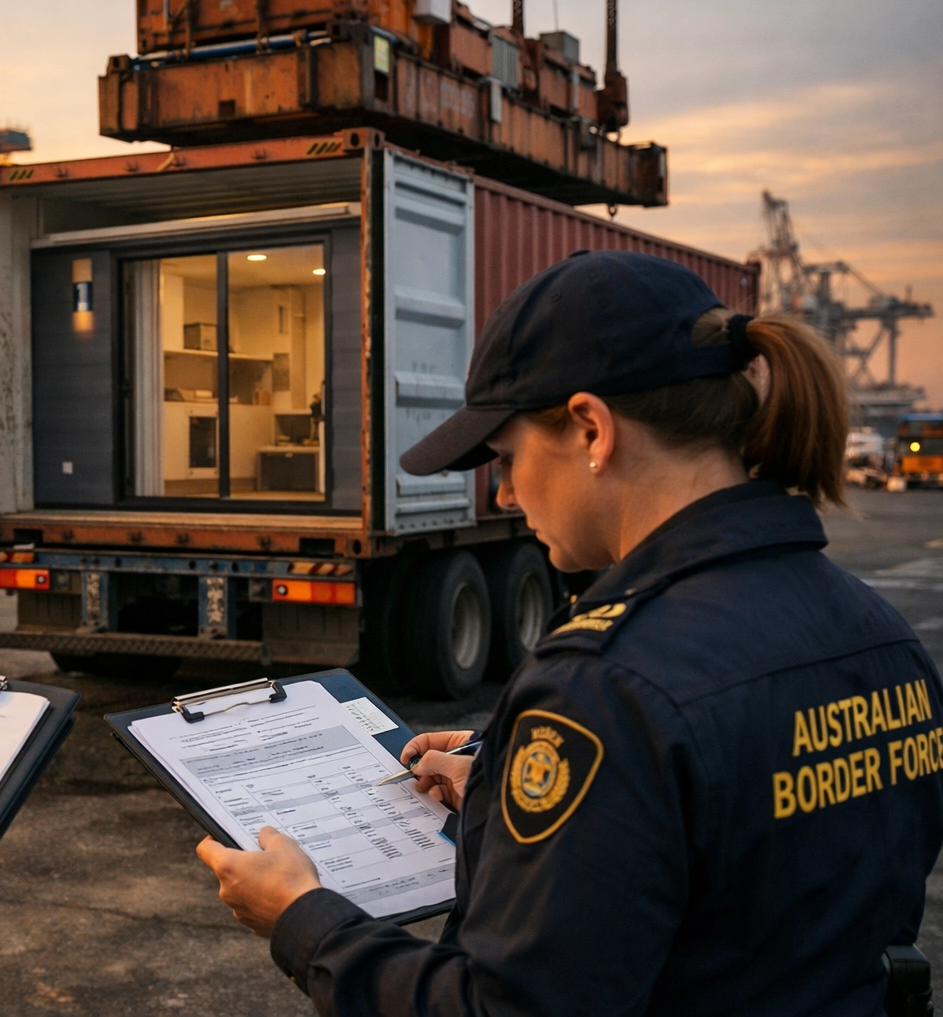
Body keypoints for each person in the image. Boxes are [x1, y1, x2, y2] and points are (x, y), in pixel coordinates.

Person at [196, 250, 943, 1015]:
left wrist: (303, 920)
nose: (507, 491)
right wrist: (498, 782)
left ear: (592, 429)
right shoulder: (878, 634)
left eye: (511, 455)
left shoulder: (609, 684)